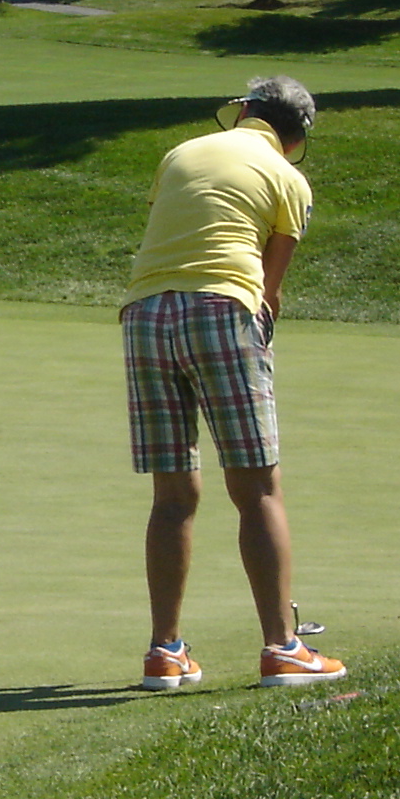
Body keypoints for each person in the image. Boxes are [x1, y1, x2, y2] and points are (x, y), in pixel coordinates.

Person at [121, 75, 346, 690]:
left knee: (173, 496)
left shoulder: (182, 153)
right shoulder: (289, 180)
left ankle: (165, 653)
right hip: (223, 310)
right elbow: (269, 289)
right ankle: (282, 649)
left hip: (143, 315)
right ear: (296, 138)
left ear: (245, 111)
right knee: (257, 489)